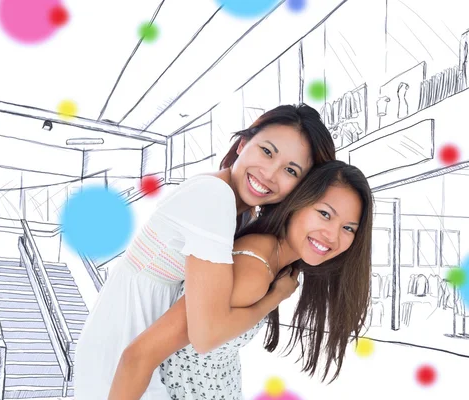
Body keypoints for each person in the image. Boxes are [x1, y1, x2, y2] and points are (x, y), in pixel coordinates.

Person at [73, 104, 336, 399]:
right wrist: (275, 296)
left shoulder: (239, 213)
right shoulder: (214, 197)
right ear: (243, 143)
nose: (269, 173)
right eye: (267, 151)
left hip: (136, 354)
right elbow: (207, 334)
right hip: (122, 358)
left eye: (290, 170)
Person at [108, 160, 373, 399]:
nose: (332, 235)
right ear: (297, 202)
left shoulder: (275, 259)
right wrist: (273, 299)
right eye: (325, 214)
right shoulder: (254, 269)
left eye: (348, 228)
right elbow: (138, 356)